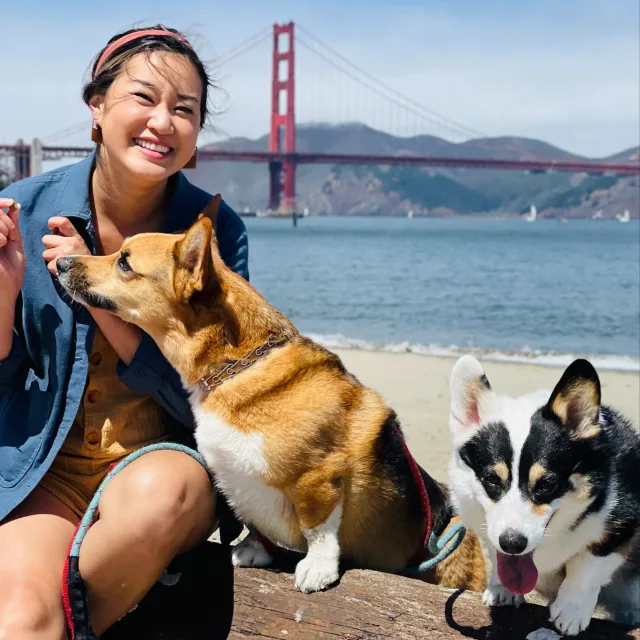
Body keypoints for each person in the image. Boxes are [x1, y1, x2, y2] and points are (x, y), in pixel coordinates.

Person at [0, 25, 249, 638]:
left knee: (158, 496)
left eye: (184, 109)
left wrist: (100, 291)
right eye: (143, 97)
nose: (163, 122)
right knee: (24, 620)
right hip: (47, 465)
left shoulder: (214, 232)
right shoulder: (22, 209)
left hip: (164, 463)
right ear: (97, 106)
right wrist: (5, 289)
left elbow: (220, 392)